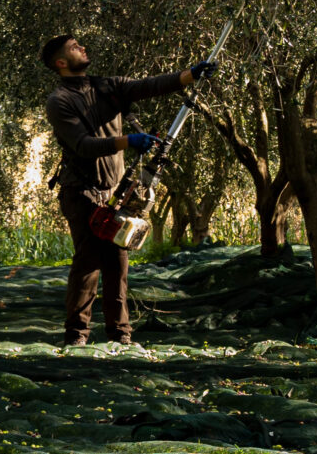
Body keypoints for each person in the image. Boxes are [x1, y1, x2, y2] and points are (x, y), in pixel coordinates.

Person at [41, 35, 212, 346]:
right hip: (81, 192)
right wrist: (128, 141)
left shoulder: (107, 86)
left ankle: (120, 336)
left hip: (116, 194)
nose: (83, 47)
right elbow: (83, 145)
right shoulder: (59, 101)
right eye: (74, 47)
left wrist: (191, 74)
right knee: (88, 263)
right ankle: (76, 336)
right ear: (61, 62)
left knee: (118, 264)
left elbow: (150, 85)